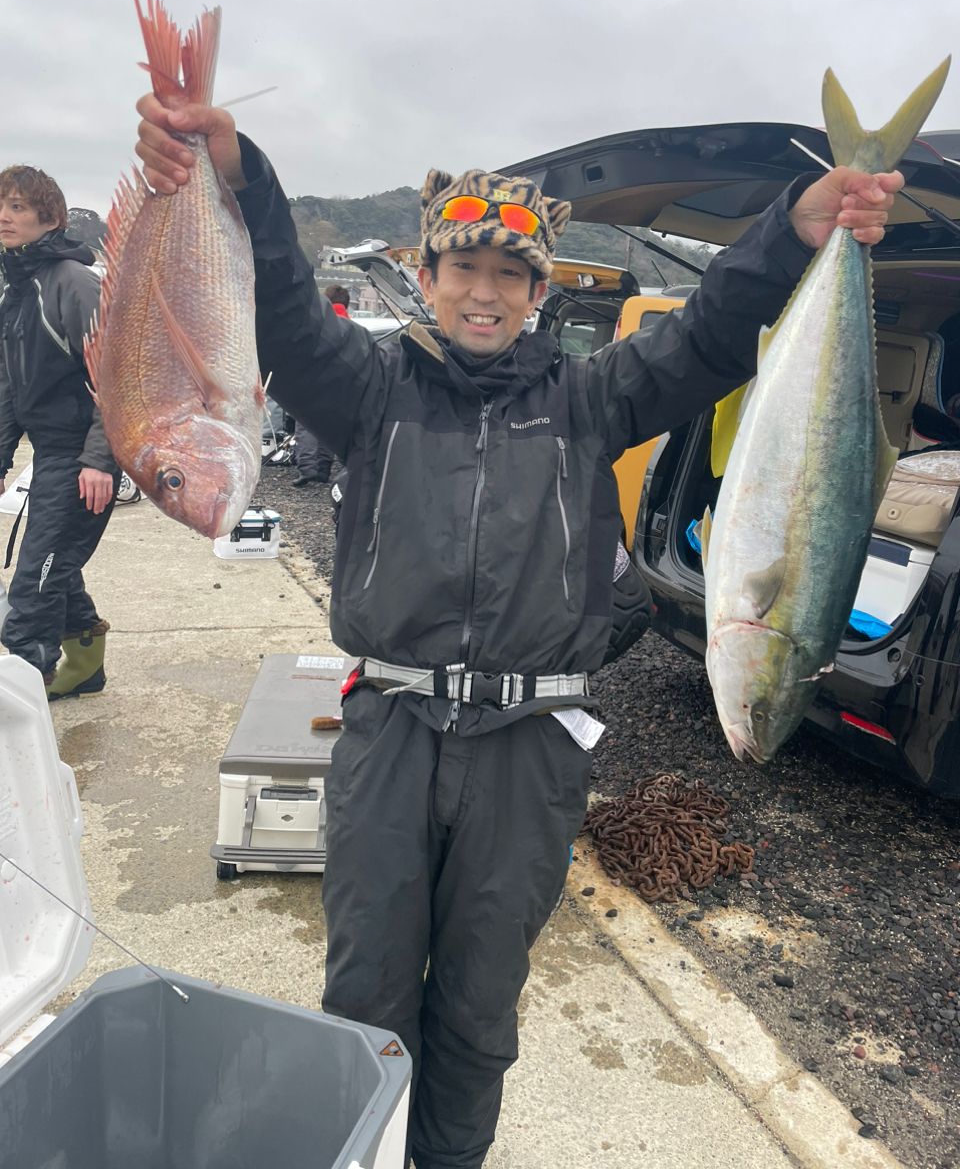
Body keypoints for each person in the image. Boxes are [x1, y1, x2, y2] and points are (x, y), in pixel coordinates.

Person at [136, 95, 900, 1169]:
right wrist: (238, 170)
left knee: (481, 1012)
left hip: (531, 754)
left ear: (540, 292)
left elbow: (713, 333)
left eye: (509, 275)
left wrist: (796, 228)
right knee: (362, 997)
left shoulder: (594, 401)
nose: (484, 293)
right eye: (463, 270)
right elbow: (284, 312)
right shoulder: (367, 390)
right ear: (430, 278)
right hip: (390, 737)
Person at [0, 166, 119, 698]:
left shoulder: (74, 284)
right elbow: (9, 385)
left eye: (18, 206)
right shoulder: (18, 288)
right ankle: (86, 668)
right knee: (55, 565)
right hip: (49, 452)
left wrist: (99, 460)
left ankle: (21, 703)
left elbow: (117, 378)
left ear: (50, 218)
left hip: (79, 456)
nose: (4, 216)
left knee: (33, 585)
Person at [291, 282, 351, 486]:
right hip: (340, 385)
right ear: (347, 304)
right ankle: (324, 470)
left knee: (307, 427)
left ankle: (308, 470)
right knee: (331, 427)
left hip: (311, 380)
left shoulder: (316, 321)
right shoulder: (353, 326)